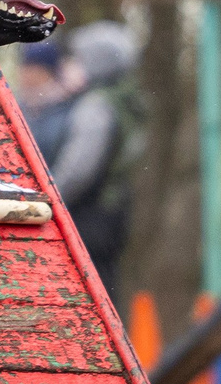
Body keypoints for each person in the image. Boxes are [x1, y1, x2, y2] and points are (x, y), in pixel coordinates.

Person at [16, 23, 139, 304]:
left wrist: (47, 201)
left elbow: (78, 170)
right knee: (100, 286)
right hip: (105, 213)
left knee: (91, 291)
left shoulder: (96, 107)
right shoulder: (113, 101)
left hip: (89, 217)